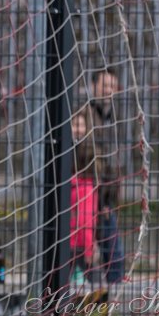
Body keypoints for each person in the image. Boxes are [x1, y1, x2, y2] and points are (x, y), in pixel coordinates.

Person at [88, 67, 127, 286]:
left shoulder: (115, 117)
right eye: (105, 85)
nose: (109, 90)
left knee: (113, 254)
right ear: (94, 87)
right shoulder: (86, 115)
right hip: (88, 194)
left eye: (113, 86)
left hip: (106, 198)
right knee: (90, 252)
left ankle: (112, 300)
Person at [69, 108, 99, 287]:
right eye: (74, 124)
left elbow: (86, 220)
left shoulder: (84, 185)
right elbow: (86, 221)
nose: (77, 129)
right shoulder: (83, 186)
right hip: (77, 246)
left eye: (81, 125)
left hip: (76, 245)